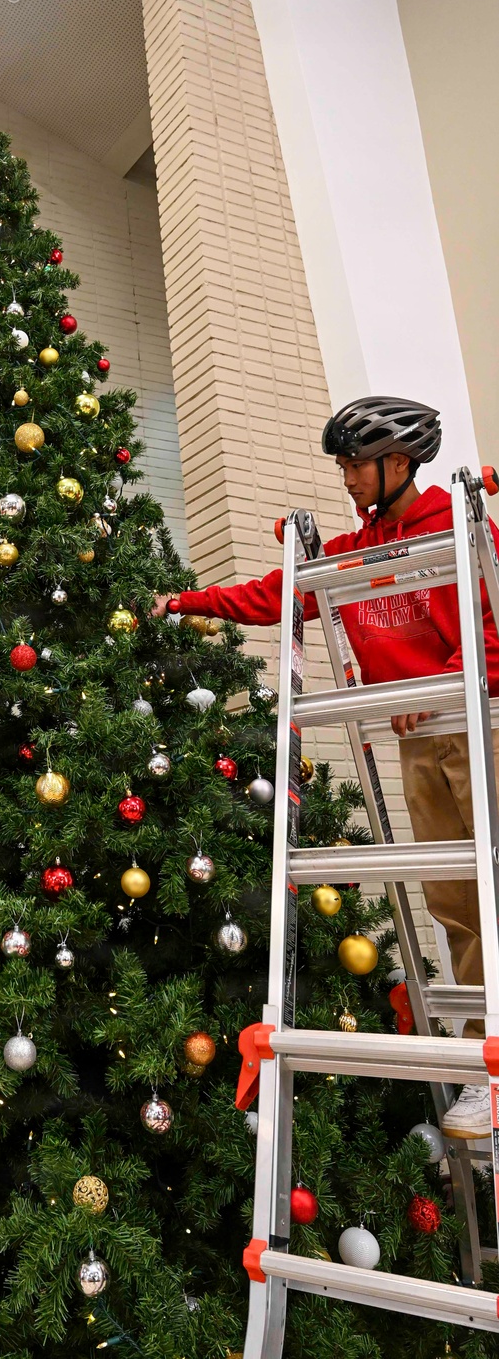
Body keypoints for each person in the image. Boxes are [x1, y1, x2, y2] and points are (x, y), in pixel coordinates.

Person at [154, 396, 499, 1139]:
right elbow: (276, 595)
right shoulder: (356, 551)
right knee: (454, 903)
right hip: (417, 742)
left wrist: (438, 687)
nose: (347, 478)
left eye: (355, 464)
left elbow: (495, 627)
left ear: (398, 462)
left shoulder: (453, 525)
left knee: (495, 891)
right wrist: (184, 601)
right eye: (343, 465)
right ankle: (486, 1063)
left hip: (477, 726)